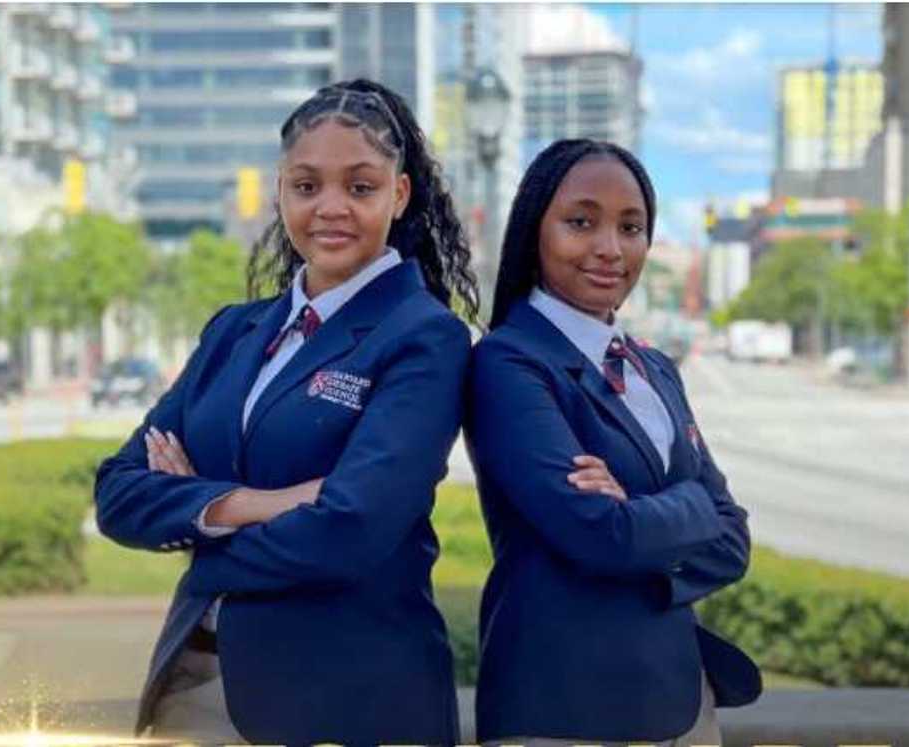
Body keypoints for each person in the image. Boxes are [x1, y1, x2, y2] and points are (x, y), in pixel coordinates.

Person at [94, 79, 478, 746]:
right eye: (306, 185)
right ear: (279, 191)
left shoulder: (425, 337)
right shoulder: (233, 331)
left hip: (348, 700)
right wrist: (255, 504)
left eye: (360, 187)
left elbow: (353, 529)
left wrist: (198, 526)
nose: (330, 207)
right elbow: (118, 492)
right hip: (194, 688)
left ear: (398, 194)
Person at [466, 139, 761, 746]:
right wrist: (691, 506)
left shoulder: (655, 369)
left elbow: (734, 540)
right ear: (535, 230)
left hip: (682, 704)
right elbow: (599, 532)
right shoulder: (507, 363)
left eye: (631, 227)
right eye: (581, 222)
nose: (610, 248)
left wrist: (638, 515)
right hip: (563, 710)